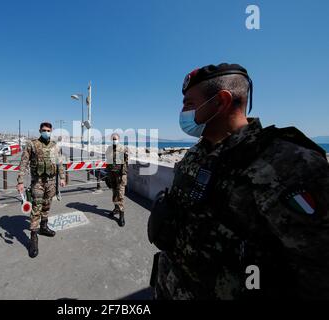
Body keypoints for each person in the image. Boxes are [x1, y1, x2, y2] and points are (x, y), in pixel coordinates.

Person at [148, 63, 329, 299]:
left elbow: (317, 274)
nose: (182, 112)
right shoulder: (196, 154)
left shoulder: (290, 165)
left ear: (221, 101)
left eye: (189, 104)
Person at [17, 122, 66, 258]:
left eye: (48, 130)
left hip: (51, 182)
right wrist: (20, 181)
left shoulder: (55, 146)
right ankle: (33, 237)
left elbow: (60, 163)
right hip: (37, 182)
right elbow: (23, 163)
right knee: (36, 208)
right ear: (40, 130)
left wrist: (62, 177)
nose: (46, 132)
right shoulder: (32, 144)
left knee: (47, 205)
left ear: (51, 131)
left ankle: (43, 227)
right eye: (44, 130)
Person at [105, 133, 129, 227]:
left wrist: (123, 175)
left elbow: (126, 164)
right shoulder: (109, 149)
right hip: (112, 175)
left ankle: (121, 215)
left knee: (120, 194)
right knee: (114, 192)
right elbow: (108, 163)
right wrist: (107, 175)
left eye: (116, 139)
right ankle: (116, 208)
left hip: (120, 175)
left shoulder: (123, 149)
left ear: (119, 139)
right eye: (113, 139)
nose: (114, 140)